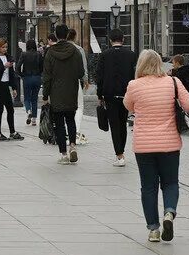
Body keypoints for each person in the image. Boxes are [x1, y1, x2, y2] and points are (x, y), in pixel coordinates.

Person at [123, 49, 189, 243]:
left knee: (148, 187)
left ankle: (153, 230)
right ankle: (169, 213)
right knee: (170, 183)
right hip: (169, 144)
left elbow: (128, 106)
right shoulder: (172, 82)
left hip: (144, 146)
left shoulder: (134, 85)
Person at [42, 24, 85, 164]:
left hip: (56, 92)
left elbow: (47, 77)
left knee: (59, 124)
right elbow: (81, 72)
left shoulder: (50, 52)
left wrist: (45, 95)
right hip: (71, 90)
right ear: (67, 35)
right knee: (71, 120)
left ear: (56, 34)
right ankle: (72, 145)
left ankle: (63, 154)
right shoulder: (75, 51)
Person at [95, 27, 136, 167]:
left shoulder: (104, 55)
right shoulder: (131, 55)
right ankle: (122, 151)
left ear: (110, 40)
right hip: (126, 94)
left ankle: (119, 155)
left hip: (109, 94)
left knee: (114, 125)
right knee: (123, 123)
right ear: (123, 39)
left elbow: (99, 77)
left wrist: (99, 95)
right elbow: (134, 75)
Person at [0, 38, 23, 141]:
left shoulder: (8, 57)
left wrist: (14, 88)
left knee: (10, 109)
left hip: (6, 85)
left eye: (6, 47)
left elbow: (12, 74)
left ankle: (12, 131)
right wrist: (4, 67)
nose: (5, 49)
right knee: (0, 109)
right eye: (3, 47)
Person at [68, 28, 90, 145]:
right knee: (79, 106)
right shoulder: (79, 49)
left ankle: (67, 132)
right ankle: (75, 131)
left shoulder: (55, 49)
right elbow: (83, 66)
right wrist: (86, 80)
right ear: (75, 36)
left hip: (59, 82)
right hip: (75, 81)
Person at [16, 39, 43, 125]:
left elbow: (18, 66)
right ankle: (34, 120)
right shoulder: (38, 54)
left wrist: (21, 75)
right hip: (37, 77)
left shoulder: (24, 54)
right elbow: (42, 67)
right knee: (34, 99)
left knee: (27, 98)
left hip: (27, 77)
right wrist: (40, 75)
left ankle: (28, 111)